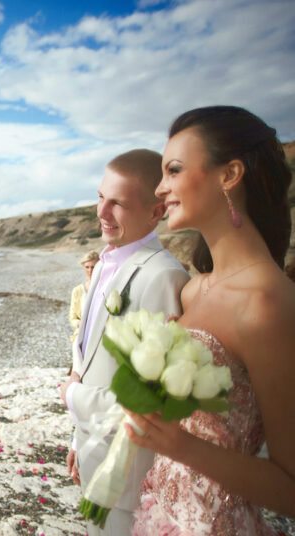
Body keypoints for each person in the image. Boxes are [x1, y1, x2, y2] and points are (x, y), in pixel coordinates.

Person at [126, 106, 295, 534]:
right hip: (156, 516)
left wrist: (179, 445)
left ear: (229, 174)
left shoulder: (268, 304)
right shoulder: (191, 289)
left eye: (174, 170)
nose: (161, 188)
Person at [59, 149, 190, 535]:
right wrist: (77, 433)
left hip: (128, 476)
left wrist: (72, 398)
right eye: (101, 197)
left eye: (118, 203)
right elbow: (89, 360)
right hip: (91, 451)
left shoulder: (163, 277)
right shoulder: (102, 264)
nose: (102, 212)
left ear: (156, 211)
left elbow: (154, 402)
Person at [69, 250, 99, 342]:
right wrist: (79, 323)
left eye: (93, 267)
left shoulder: (105, 287)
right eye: (87, 267)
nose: (90, 270)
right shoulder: (77, 291)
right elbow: (72, 318)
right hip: (82, 335)